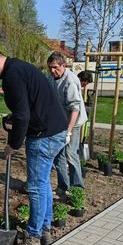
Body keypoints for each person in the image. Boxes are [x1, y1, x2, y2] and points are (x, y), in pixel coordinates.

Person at [0, 47, 67, 245]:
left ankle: (33, 237)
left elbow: (23, 115)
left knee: (35, 186)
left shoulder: (12, 75)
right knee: (43, 183)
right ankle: (45, 229)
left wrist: (13, 144)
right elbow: (26, 106)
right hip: (55, 129)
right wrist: (14, 118)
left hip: (43, 135)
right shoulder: (19, 67)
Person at [47, 52, 88, 195]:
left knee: (70, 153)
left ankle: (77, 188)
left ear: (63, 66)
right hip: (60, 121)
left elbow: (75, 109)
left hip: (73, 121)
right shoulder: (51, 77)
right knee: (58, 155)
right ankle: (63, 187)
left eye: (55, 67)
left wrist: (69, 131)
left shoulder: (70, 81)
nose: (52, 71)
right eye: (50, 68)